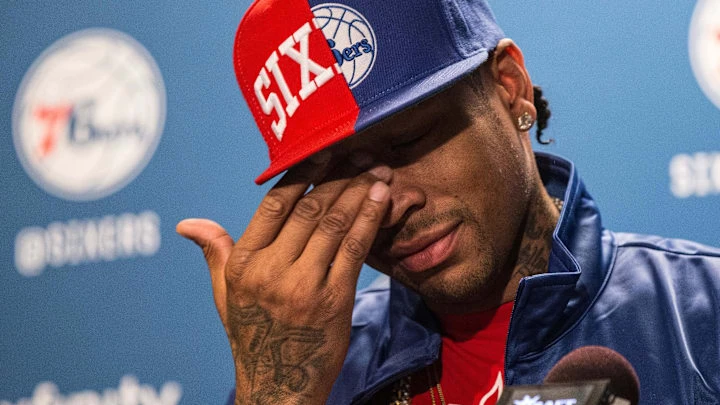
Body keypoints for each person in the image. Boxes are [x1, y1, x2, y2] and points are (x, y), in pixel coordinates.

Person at [177, 0, 720, 403]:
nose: (389, 204)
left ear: (510, 88)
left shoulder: (702, 317)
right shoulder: (312, 372)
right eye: (341, 173)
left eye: (410, 141)